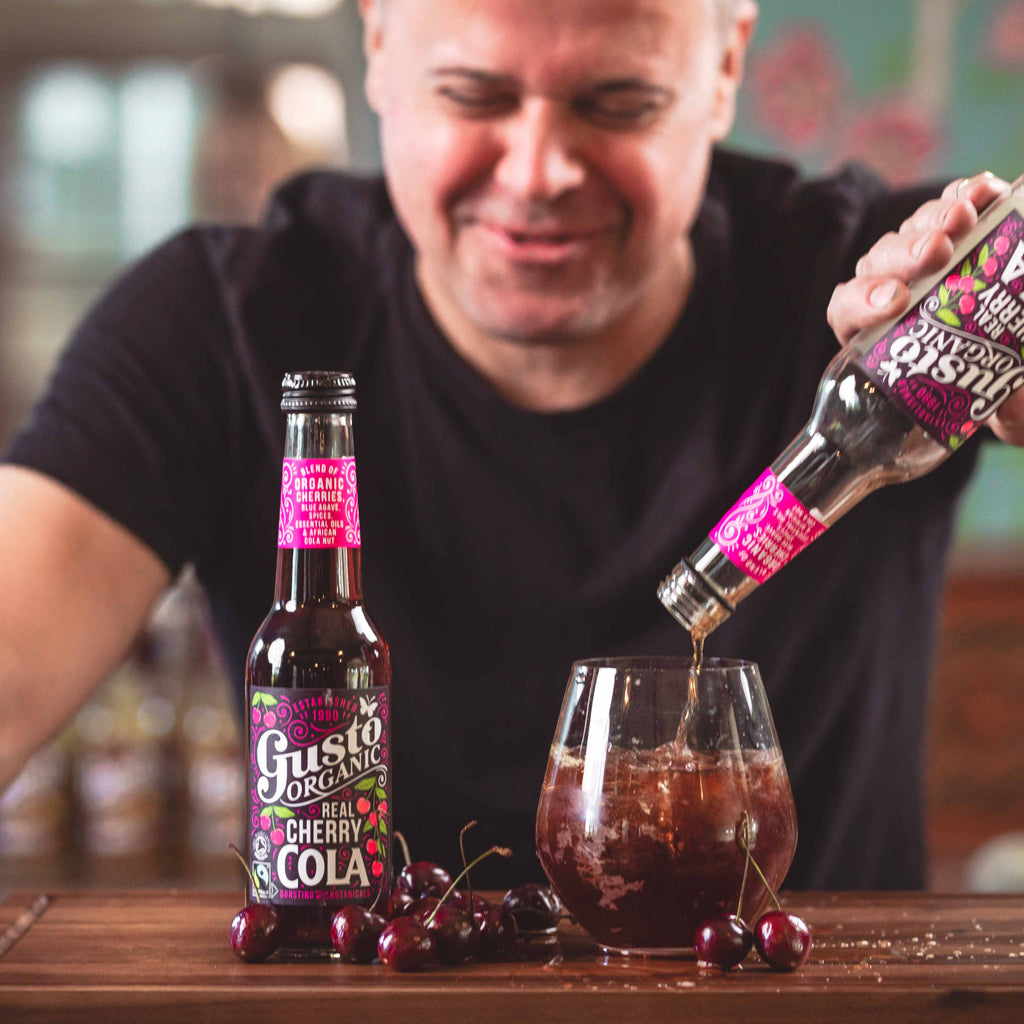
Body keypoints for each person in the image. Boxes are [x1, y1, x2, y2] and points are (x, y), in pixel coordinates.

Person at [1, 0, 1022, 889]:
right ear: (377, 42)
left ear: (721, 70)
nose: (538, 173)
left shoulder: (907, 322)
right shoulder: (215, 327)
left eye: (617, 102)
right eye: (473, 95)